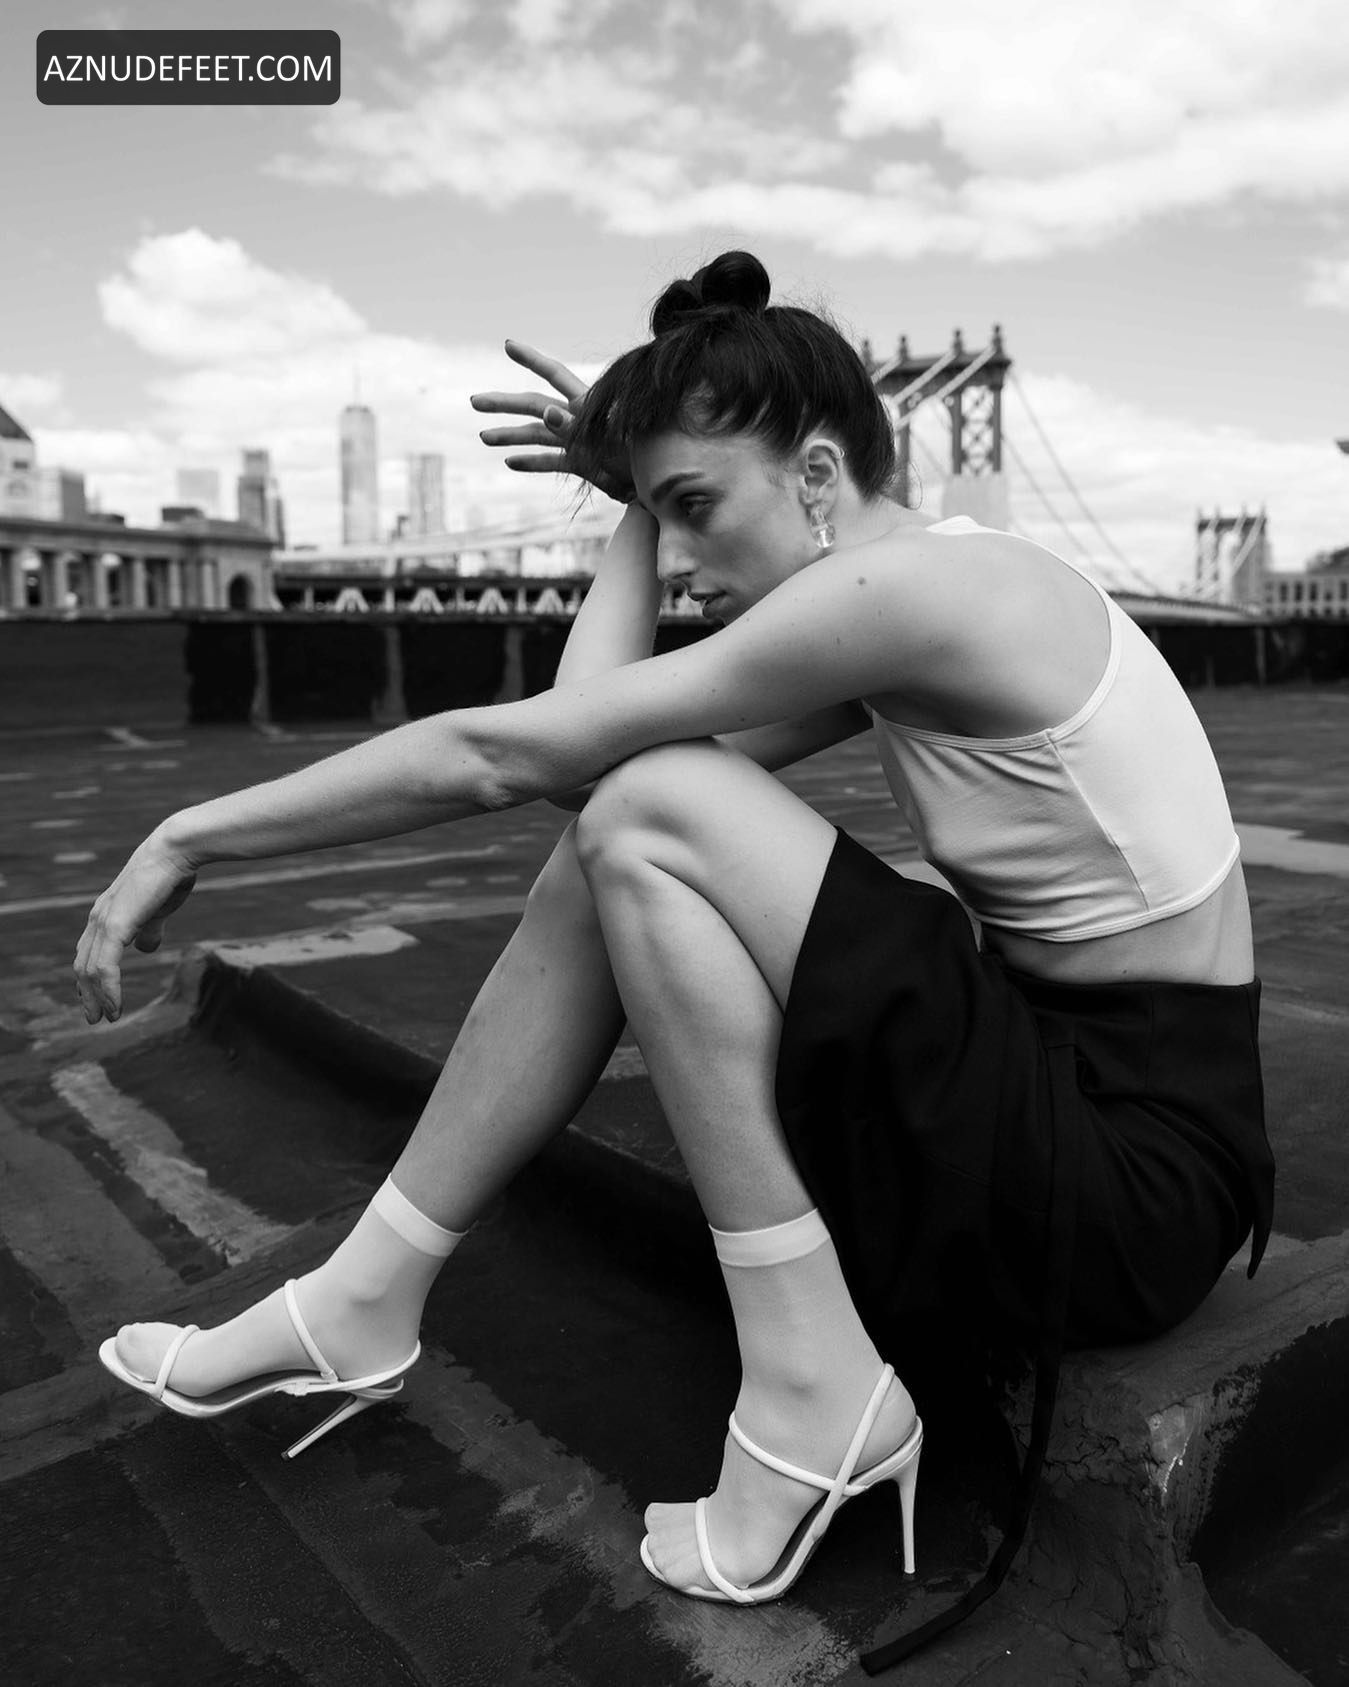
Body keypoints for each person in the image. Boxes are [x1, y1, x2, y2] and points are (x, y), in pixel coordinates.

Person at [77, 251, 1273, 1670]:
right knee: (628, 829)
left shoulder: (920, 595)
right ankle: (364, 1296)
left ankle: (810, 1391)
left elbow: (519, 754)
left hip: (1129, 1180)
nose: (683, 562)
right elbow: (594, 765)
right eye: (664, 519)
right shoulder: (907, 598)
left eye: (697, 509)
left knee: (650, 810)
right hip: (1056, 1097)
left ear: (817, 474)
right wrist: (639, 502)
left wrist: (190, 833)